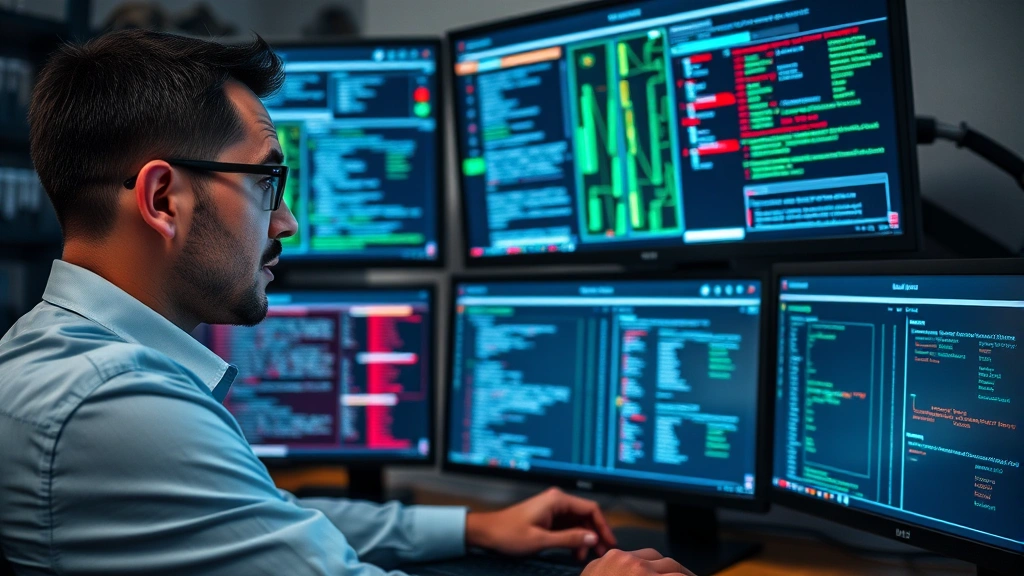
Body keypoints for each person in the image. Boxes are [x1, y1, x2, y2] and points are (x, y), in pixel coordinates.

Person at [0, 30, 694, 576]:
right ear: (162, 199)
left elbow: (260, 513)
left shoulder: (58, 355)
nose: (286, 221)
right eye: (268, 179)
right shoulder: (115, 403)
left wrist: (473, 526)